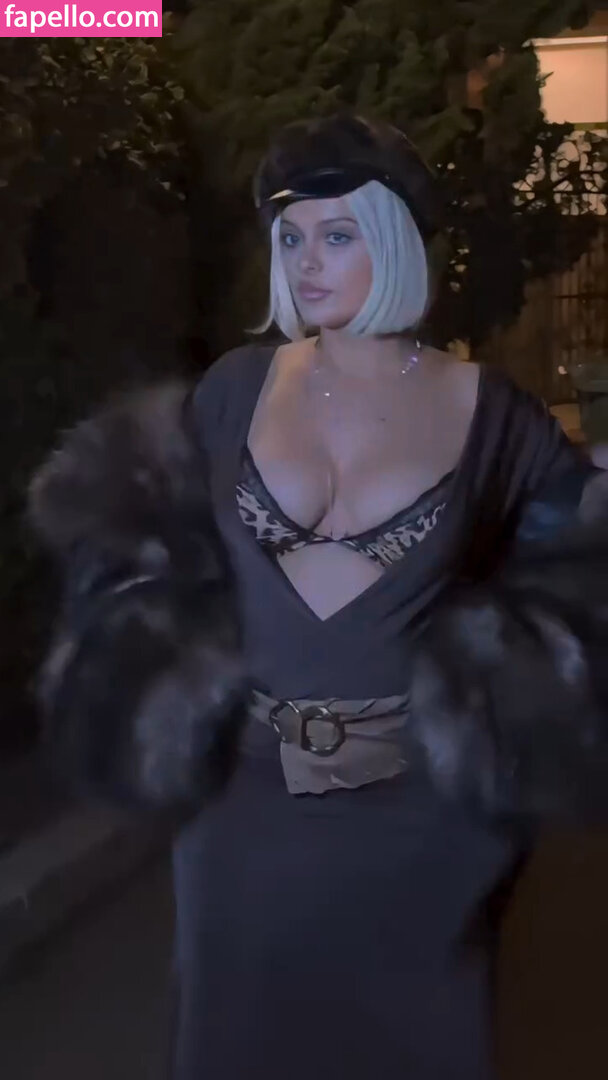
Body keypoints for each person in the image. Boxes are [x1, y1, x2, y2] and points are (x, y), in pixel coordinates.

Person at [29, 114, 608, 1080]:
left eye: (337, 235)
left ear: (392, 239)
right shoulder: (234, 389)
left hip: (424, 833)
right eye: (290, 236)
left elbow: (581, 558)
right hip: (243, 821)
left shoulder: (489, 411)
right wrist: (158, 687)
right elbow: (140, 544)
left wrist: (502, 723)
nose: (305, 261)